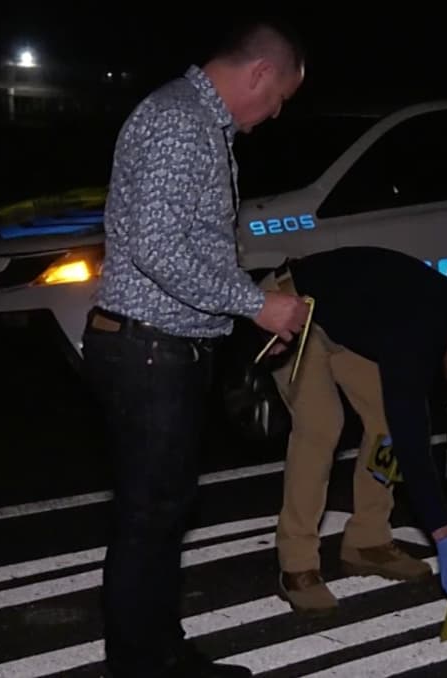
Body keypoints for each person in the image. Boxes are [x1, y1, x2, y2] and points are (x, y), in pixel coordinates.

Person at [79, 17, 310, 678]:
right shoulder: (182, 123)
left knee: (160, 520)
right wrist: (254, 304)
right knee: (148, 524)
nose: (273, 115)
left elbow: (183, 242)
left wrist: (242, 293)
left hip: (159, 349)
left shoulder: (193, 121)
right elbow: (156, 249)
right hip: (152, 352)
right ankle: (141, 665)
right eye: (279, 99)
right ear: (260, 73)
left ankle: (162, 652)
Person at [254, 246, 447, 614]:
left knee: (384, 423)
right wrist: (445, 536)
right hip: (298, 306)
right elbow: (412, 433)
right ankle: (297, 564)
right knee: (322, 424)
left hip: (349, 323)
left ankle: (368, 540)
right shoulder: (418, 330)